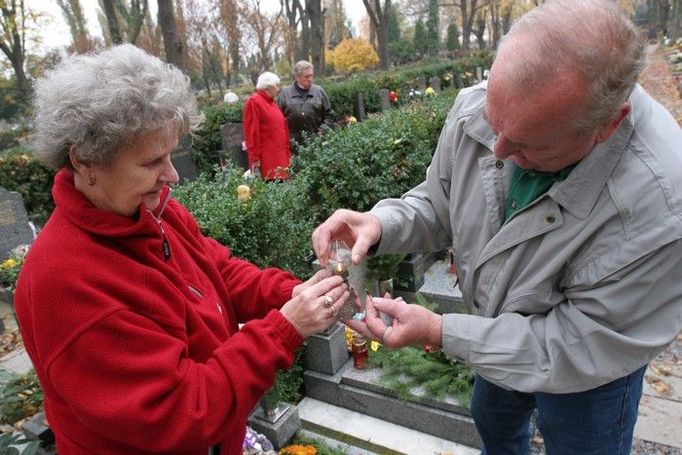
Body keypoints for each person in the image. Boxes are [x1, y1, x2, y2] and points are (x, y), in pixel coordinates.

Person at [312, 1, 682, 454]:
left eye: (527, 145)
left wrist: (442, 331)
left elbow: (572, 346)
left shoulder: (660, 205)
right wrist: (380, 223)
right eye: (495, 120)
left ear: (606, 126)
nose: (499, 150)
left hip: (588, 368)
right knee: (493, 418)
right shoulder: (484, 107)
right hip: (494, 326)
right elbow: (439, 201)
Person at [15, 44, 349, 455]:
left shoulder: (148, 211)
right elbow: (183, 411)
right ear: (85, 162)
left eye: (170, 154)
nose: (170, 175)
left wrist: (294, 293)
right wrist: (284, 328)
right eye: (151, 161)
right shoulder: (66, 283)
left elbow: (216, 269)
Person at [243, 71, 291, 180]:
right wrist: (254, 159)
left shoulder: (272, 103)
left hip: (280, 160)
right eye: (276, 86)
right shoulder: (254, 102)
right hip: (269, 163)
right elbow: (252, 133)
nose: (278, 89)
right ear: (268, 87)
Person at [277, 60, 335, 152]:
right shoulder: (285, 94)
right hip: (293, 146)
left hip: (317, 143)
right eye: (306, 77)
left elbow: (329, 114)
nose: (310, 79)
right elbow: (278, 120)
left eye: (311, 75)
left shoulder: (319, 92)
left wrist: (323, 130)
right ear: (297, 77)